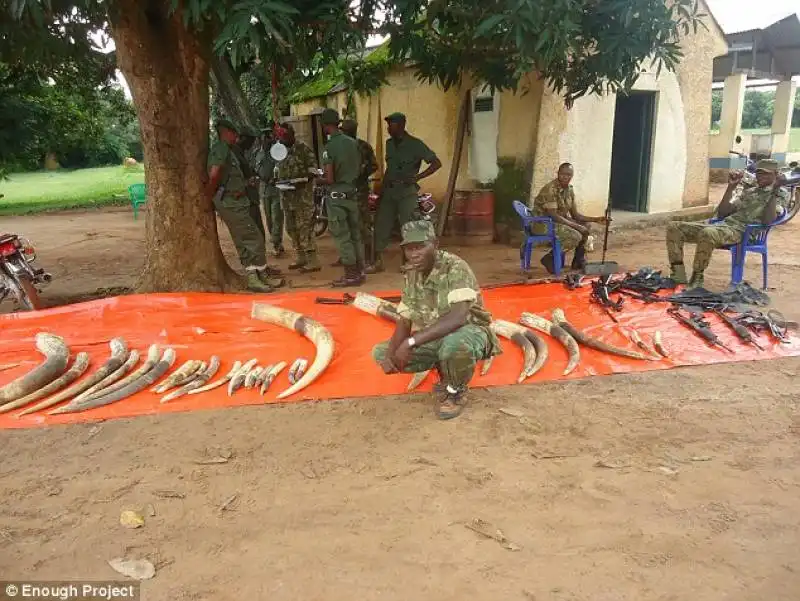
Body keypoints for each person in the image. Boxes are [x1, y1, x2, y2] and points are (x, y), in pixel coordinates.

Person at [371, 220, 502, 420]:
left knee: (455, 345)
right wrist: (392, 355)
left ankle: (456, 391)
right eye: (409, 249)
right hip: (436, 335)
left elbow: (458, 318)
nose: (414, 254)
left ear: (435, 244)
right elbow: (405, 319)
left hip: (470, 332)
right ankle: (444, 368)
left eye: (420, 247)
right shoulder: (411, 273)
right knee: (380, 352)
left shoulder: (455, 267)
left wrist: (411, 342)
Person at [666, 159, 789, 289]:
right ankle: (678, 274)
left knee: (708, 233)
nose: (760, 176)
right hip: (724, 227)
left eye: (765, 174)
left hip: (744, 233)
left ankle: (697, 277)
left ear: (776, 175)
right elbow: (723, 213)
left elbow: (767, 221)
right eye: (759, 173)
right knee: (674, 227)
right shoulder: (751, 191)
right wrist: (731, 187)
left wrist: (775, 190)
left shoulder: (781, 194)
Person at [206, 119, 284, 292]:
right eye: (234, 134)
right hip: (230, 202)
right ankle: (256, 276)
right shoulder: (221, 149)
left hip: (237, 201)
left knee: (245, 239)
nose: (236, 137)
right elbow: (214, 174)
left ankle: (257, 275)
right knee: (253, 238)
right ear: (226, 132)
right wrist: (211, 196)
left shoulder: (229, 150)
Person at [365, 112, 442, 274]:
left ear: (401, 125)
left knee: (409, 227)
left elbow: (436, 163)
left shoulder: (416, 144)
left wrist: (417, 177)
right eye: (387, 125)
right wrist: (381, 192)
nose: (388, 128)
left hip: (407, 192)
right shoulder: (389, 144)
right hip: (390, 191)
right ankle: (377, 261)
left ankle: (409, 262)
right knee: (381, 225)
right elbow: (389, 169)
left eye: (391, 125)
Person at [316, 108, 365, 287]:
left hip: (337, 197)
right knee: (355, 235)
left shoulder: (329, 147)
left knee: (343, 237)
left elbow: (329, 178)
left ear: (325, 125)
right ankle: (360, 271)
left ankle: (351, 275)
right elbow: (359, 169)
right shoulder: (353, 143)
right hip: (352, 195)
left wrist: (317, 179)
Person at [530, 163, 608, 273]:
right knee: (575, 235)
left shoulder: (569, 190)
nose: (565, 177)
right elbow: (554, 215)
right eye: (562, 174)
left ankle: (578, 260)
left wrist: (596, 219)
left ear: (572, 176)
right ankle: (550, 258)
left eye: (568, 174)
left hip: (557, 222)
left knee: (586, 227)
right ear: (558, 174)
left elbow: (576, 215)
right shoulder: (550, 189)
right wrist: (576, 226)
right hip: (542, 224)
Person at [274, 122, 321, 273]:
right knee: (291, 228)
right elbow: (277, 170)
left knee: (305, 227)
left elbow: (314, 170)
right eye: (280, 136)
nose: (283, 139)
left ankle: (313, 261)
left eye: (285, 136)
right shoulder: (279, 151)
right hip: (287, 198)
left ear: (292, 135)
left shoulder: (303, 149)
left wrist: (303, 180)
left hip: (302, 198)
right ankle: (300, 257)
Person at [340, 118, 378, 267]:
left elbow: (374, 166)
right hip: (344, 191)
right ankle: (348, 256)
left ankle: (369, 256)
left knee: (363, 225)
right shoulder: (340, 147)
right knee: (346, 225)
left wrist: (361, 173)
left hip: (359, 192)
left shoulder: (363, 147)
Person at [255, 122, 286, 257]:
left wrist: (276, 178)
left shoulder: (277, 151)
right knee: (268, 218)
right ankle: (275, 241)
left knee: (277, 217)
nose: (267, 139)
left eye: (269, 136)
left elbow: (283, 166)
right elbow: (254, 169)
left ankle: (276, 243)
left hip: (276, 188)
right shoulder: (257, 153)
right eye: (264, 137)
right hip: (264, 189)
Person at [233, 126, 267, 240]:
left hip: (252, 199)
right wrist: (247, 182)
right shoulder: (234, 153)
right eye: (250, 140)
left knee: (259, 235)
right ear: (242, 138)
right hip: (245, 201)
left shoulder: (243, 153)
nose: (252, 144)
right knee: (253, 236)